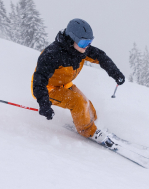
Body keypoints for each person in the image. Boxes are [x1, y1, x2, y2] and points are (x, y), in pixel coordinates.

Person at [31, 18, 125, 147]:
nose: (86, 46)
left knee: (86, 103)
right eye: (83, 43)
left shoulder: (82, 50)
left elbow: (101, 57)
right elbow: (39, 80)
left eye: (89, 42)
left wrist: (115, 73)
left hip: (65, 84)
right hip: (47, 88)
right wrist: (44, 103)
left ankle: (94, 124)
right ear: (71, 39)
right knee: (77, 102)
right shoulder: (52, 54)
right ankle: (87, 130)